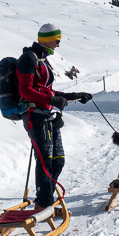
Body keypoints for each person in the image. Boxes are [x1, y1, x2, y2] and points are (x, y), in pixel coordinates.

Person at [16, 23, 92, 209]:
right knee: (45, 161)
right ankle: (44, 204)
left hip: (47, 115)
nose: (58, 44)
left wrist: (74, 96)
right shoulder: (29, 59)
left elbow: (48, 91)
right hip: (35, 116)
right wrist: (52, 100)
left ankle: (45, 200)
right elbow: (25, 91)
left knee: (58, 161)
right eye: (57, 40)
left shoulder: (42, 60)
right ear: (47, 39)